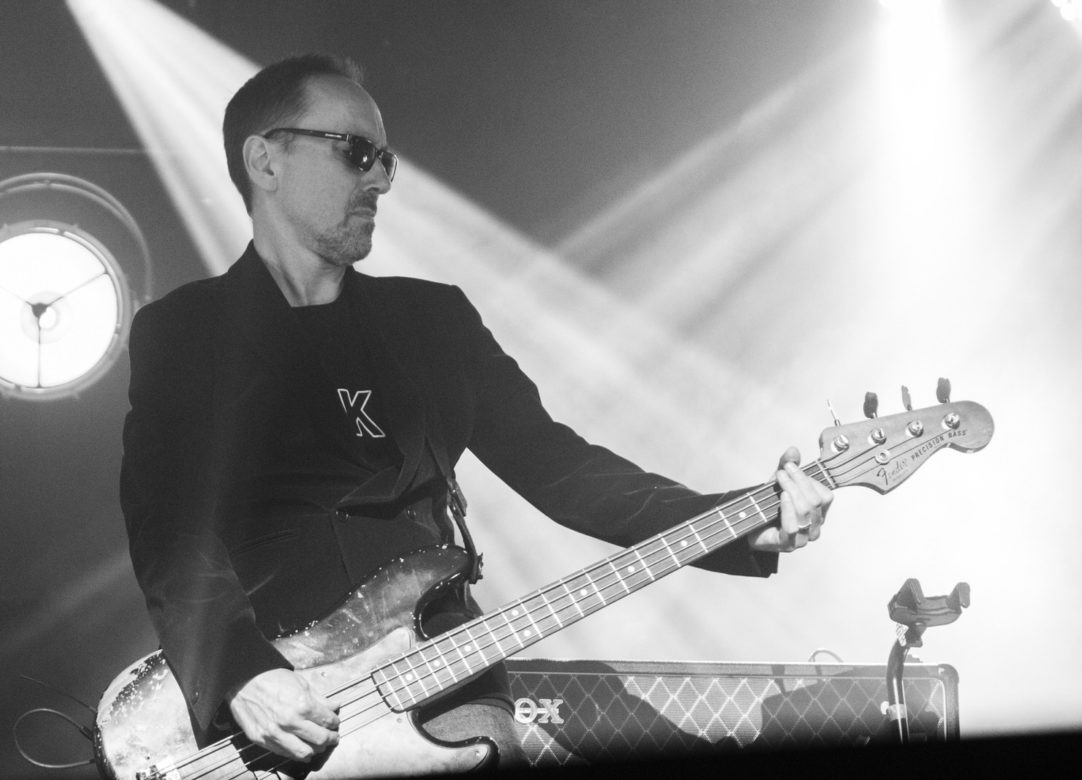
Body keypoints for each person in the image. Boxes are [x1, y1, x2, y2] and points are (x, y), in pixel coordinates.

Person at [120, 53, 833, 772]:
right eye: (355, 152)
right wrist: (241, 673)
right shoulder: (186, 333)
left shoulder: (434, 322)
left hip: (442, 684)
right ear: (265, 162)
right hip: (281, 704)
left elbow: (562, 468)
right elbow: (169, 530)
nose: (377, 179)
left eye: (385, 161)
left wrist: (742, 521)